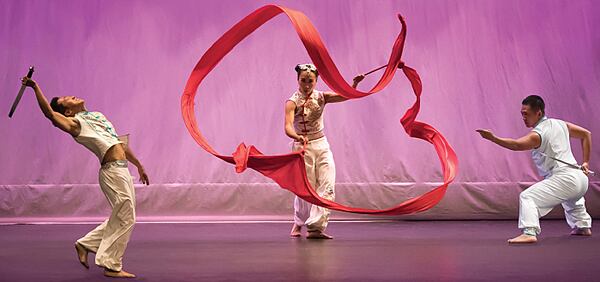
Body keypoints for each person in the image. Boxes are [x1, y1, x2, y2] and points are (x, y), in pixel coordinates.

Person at [22, 76, 149, 277]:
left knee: (122, 216)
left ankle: (85, 244)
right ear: (68, 111)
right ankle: (111, 265)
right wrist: (35, 87)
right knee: (127, 218)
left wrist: (139, 165)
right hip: (111, 172)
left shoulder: (98, 116)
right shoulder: (75, 124)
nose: (71, 96)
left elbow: (119, 143)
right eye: (66, 99)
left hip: (122, 169)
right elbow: (50, 114)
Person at [476, 95, 592, 244]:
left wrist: (493, 138)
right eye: (522, 113)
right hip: (580, 178)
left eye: (526, 114)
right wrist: (586, 162)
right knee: (572, 199)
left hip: (565, 177)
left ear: (538, 113)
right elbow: (586, 134)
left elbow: (517, 145)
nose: (523, 117)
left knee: (528, 197)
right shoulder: (560, 124)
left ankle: (529, 232)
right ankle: (582, 226)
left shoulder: (538, 134)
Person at [285, 63, 364, 239]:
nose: (307, 85)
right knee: (306, 189)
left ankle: (315, 228)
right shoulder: (292, 102)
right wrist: (297, 137)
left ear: (316, 80)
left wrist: (354, 85)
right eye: (303, 81)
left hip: (321, 144)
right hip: (302, 147)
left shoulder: (322, 97)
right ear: (298, 80)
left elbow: (346, 96)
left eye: (310, 81)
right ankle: (299, 222)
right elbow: (288, 127)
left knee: (327, 185)